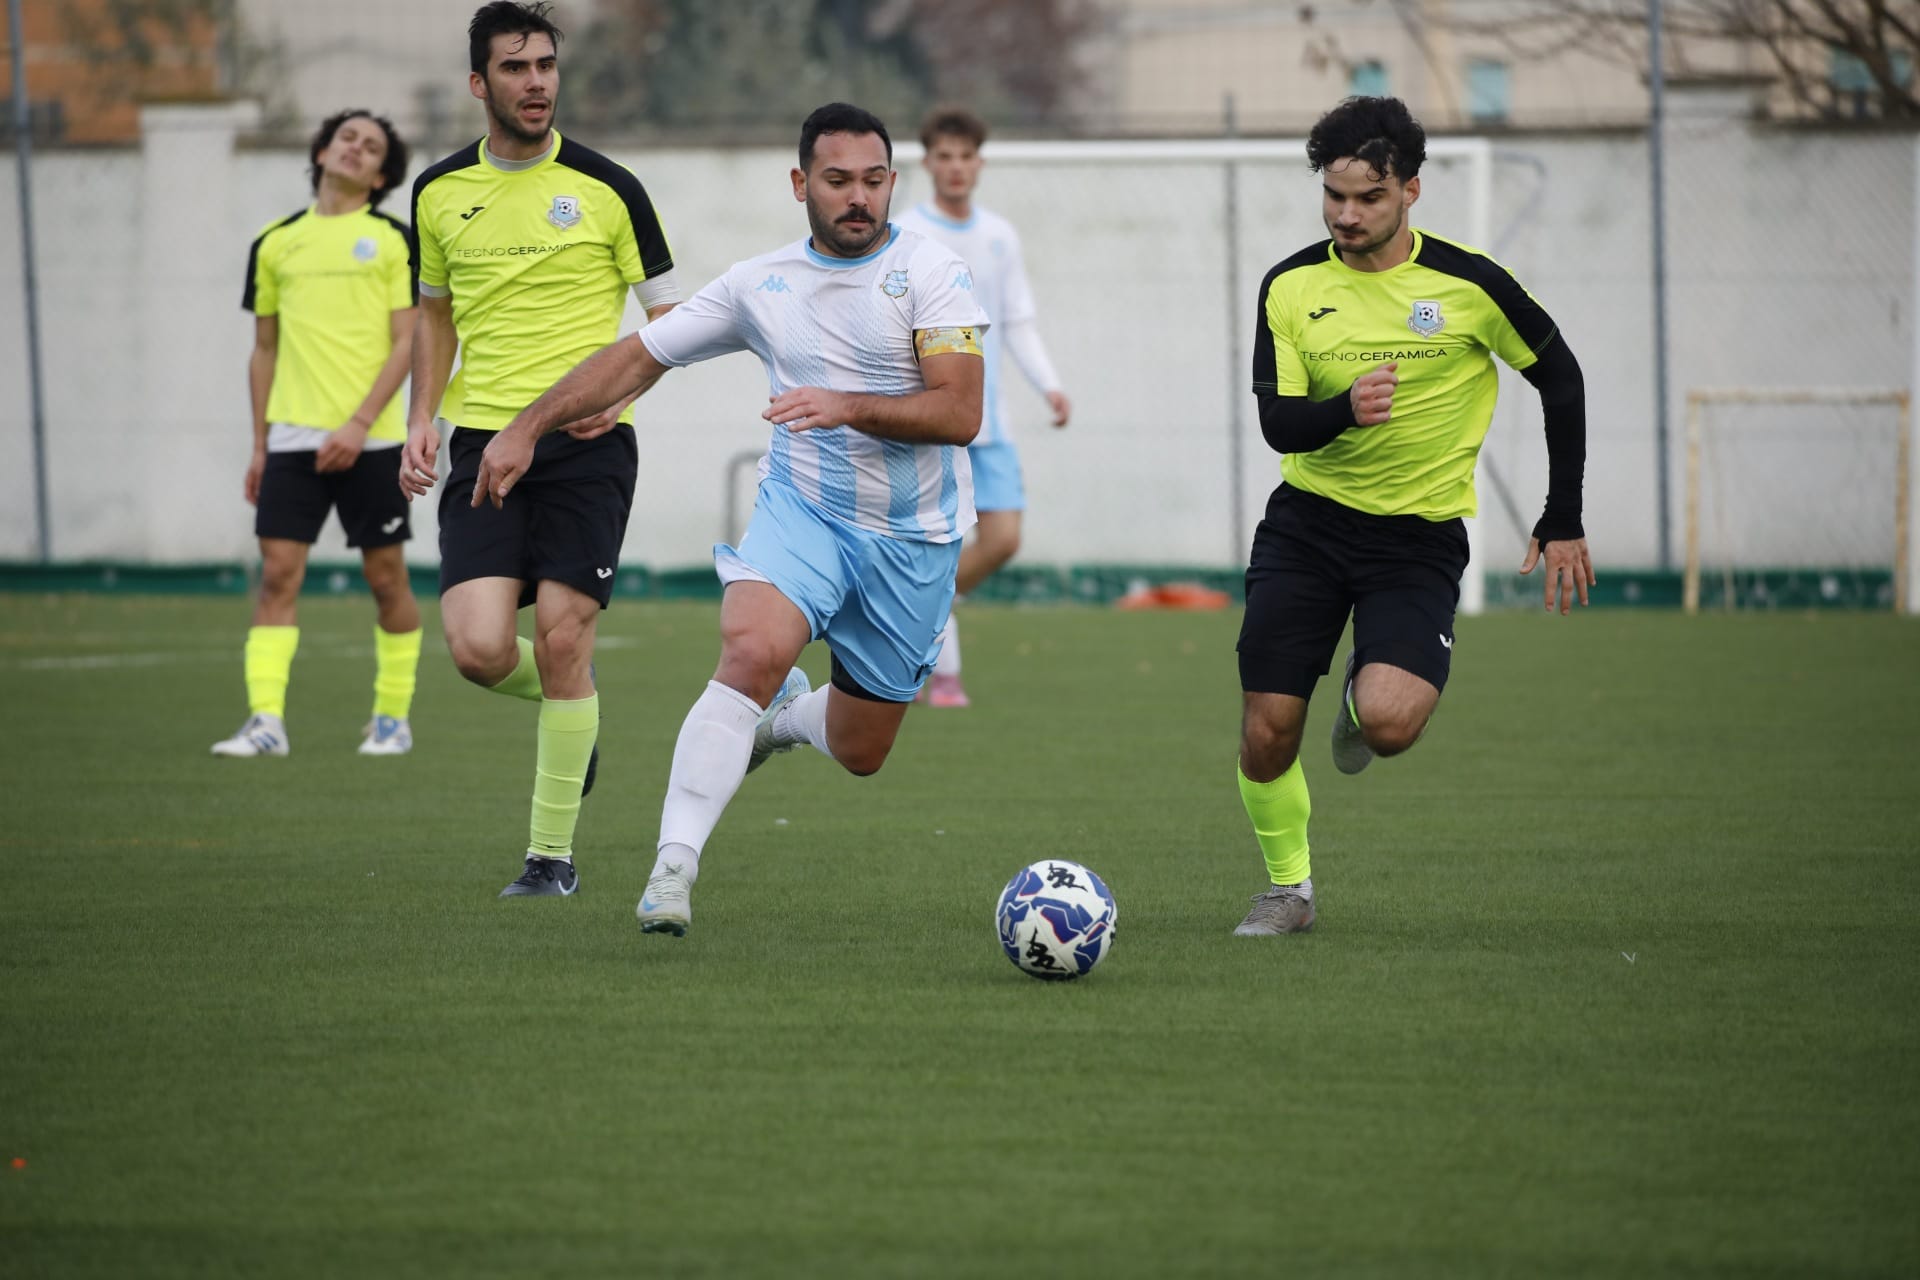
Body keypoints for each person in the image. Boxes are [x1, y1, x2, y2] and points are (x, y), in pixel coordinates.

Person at [470, 102, 987, 937]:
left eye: (873, 180)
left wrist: (844, 404)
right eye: (838, 181)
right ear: (800, 184)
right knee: (750, 649)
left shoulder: (933, 272)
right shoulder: (760, 284)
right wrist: (528, 425)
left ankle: (784, 723)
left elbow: (960, 412)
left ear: (893, 182)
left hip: (913, 539)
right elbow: (638, 354)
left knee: (862, 749)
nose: (858, 197)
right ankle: (672, 869)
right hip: (805, 511)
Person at [1233, 95, 1594, 936]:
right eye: (1334, 196)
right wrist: (1344, 411)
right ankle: (1288, 891)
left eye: (1369, 197)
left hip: (1416, 539)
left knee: (1390, 726)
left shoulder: (1471, 284)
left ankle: (1361, 703)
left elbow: (1561, 377)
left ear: (1411, 191)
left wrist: (1563, 514)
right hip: (1308, 526)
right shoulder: (1290, 286)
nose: (1347, 215)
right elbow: (1279, 422)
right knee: (1267, 730)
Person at [399, 1, 680, 897]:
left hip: (587, 444)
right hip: (484, 444)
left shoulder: (609, 186)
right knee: (479, 649)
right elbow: (434, 316)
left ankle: (549, 860)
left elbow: (673, 320)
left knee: (562, 636)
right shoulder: (437, 192)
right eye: (515, 68)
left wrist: (625, 392)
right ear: (478, 83)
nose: (536, 83)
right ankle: (576, 708)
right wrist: (421, 416)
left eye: (546, 66)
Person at [214, 109, 422, 759]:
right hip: (291, 441)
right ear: (323, 151)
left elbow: (408, 342)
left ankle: (391, 718)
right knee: (278, 577)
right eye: (346, 138)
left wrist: (358, 425)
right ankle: (265, 723)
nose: (355, 149)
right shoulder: (274, 243)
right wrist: (259, 444)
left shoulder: (393, 240)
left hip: (374, 440)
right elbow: (264, 350)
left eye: (371, 146)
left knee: (386, 579)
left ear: (382, 175)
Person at [897, 107, 1070, 707]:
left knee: (1002, 540)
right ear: (928, 163)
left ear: (980, 163)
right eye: (944, 157)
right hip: (929, 421)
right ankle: (943, 676)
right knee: (935, 548)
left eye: (965, 156)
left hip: (988, 424)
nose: (956, 167)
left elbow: (1016, 320)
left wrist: (1048, 384)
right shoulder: (907, 233)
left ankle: (921, 613)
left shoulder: (999, 235)